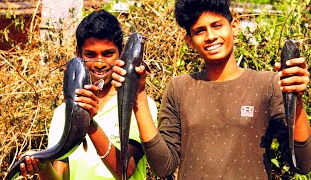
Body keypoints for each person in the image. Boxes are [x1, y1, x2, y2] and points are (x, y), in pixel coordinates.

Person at [111, 0, 311, 179]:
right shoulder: (179, 88)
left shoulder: (267, 85)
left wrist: (296, 98)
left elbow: (302, 164)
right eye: (200, 31)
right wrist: (138, 96)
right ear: (189, 40)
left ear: (233, 26)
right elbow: (163, 167)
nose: (210, 36)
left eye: (217, 26)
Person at [18, 10, 158, 179]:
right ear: (79, 54)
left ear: (121, 51)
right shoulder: (63, 113)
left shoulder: (139, 105)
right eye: (91, 55)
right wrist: (42, 167)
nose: (99, 63)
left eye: (108, 54)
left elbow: (125, 171)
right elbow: (60, 176)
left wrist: (88, 123)